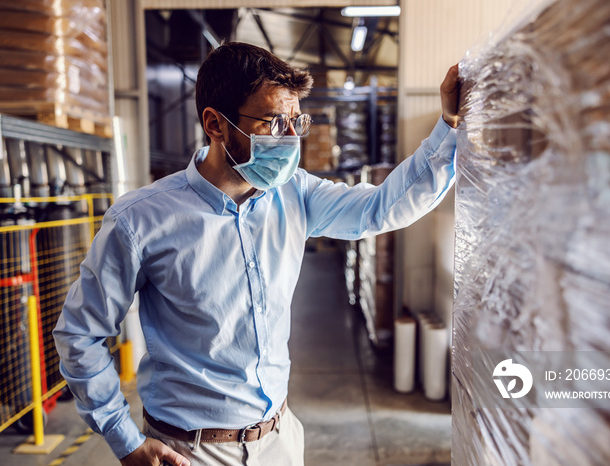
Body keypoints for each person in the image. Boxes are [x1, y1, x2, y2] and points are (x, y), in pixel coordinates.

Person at [53, 41, 460, 466]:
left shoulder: (294, 193)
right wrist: (126, 440)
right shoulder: (142, 220)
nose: (289, 139)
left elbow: (381, 208)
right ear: (215, 124)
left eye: (294, 121)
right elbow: (80, 333)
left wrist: (449, 125)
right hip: (191, 452)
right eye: (272, 123)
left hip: (279, 439)